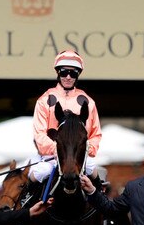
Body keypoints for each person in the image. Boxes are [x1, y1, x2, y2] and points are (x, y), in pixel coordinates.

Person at [30, 50, 102, 184]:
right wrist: (58, 150)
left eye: (73, 73)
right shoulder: (44, 100)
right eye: (64, 72)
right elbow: (39, 134)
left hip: (79, 157)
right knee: (40, 173)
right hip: (50, 157)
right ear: (58, 72)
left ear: (78, 75)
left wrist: (84, 151)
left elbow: (95, 135)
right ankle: (26, 200)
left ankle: (101, 199)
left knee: (92, 168)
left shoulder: (89, 102)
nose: (68, 77)